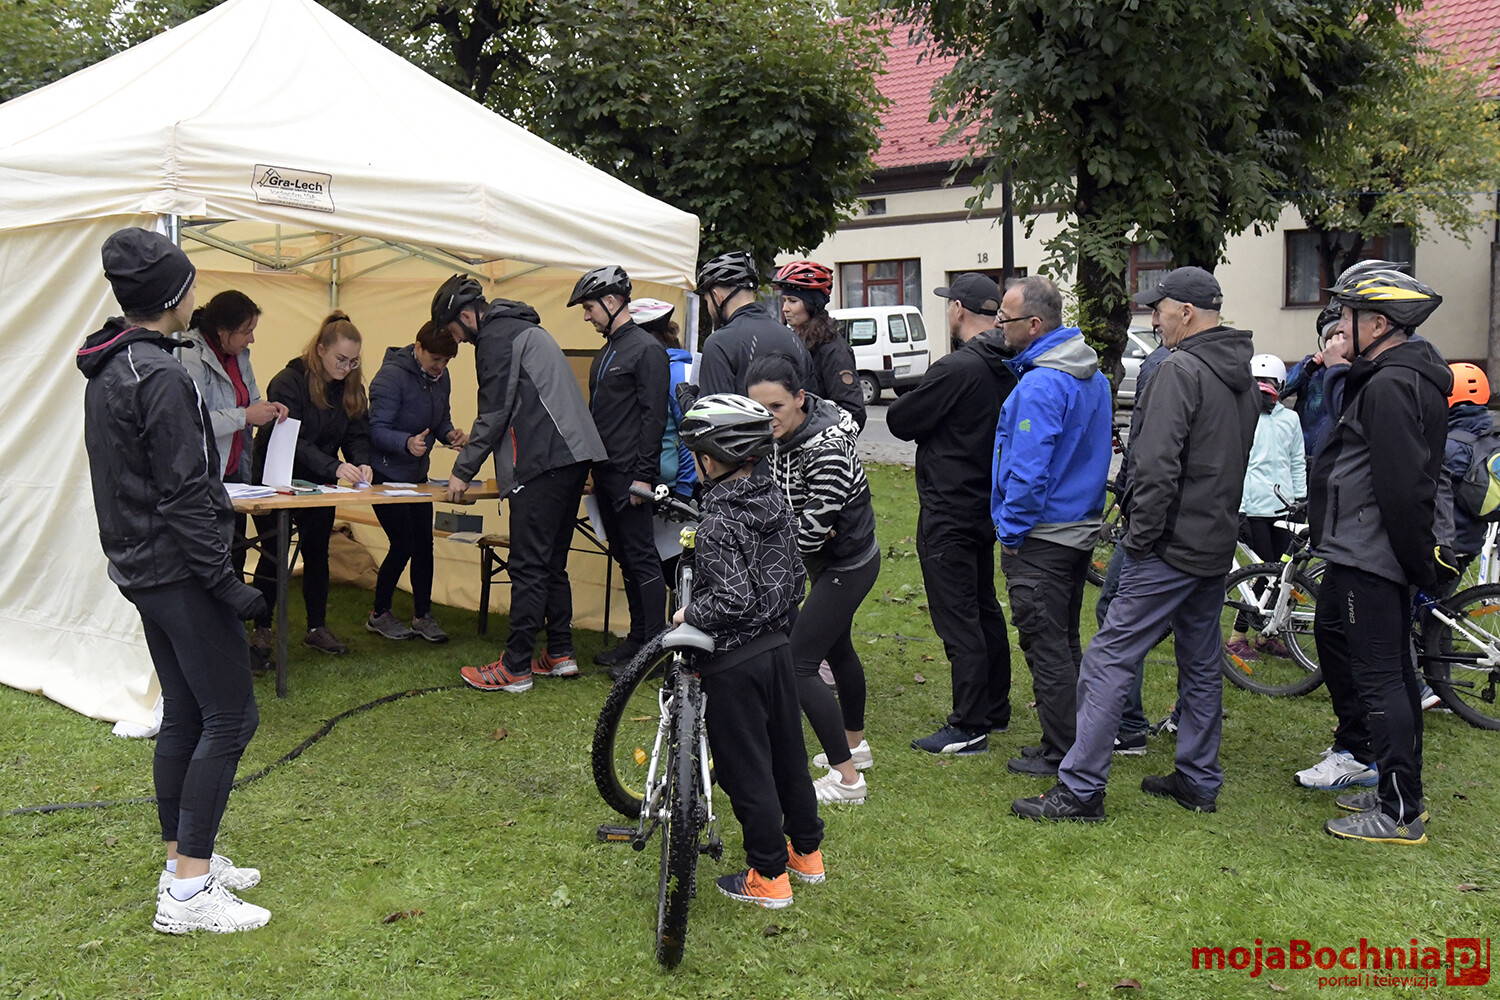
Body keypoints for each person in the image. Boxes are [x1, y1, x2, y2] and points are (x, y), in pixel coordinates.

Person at [1013, 266, 1257, 822]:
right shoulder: (1238, 370)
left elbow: (1153, 466)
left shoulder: (1178, 369)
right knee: (1200, 660)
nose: (1154, 319)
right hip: (1213, 541)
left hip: (1170, 544)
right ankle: (1197, 778)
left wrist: (1141, 540)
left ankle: (1080, 789)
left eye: (1159, 309)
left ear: (1186, 312)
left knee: (1108, 658)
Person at [79, 227, 268, 933]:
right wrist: (225, 584)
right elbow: (185, 494)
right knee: (231, 717)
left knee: (187, 712)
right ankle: (188, 893)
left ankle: (184, 859)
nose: (197, 294)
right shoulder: (159, 375)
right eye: (189, 284)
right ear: (172, 294)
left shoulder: (112, 368)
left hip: (144, 568)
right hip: (177, 571)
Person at [1303, 267, 1450, 845]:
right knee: (1382, 667)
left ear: (1380, 324)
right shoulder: (1395, 376)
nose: (1340, 324)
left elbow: (1403, 486)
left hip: (1372, 553)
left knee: (1382, 678)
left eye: (1349, 315)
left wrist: (1418, 565)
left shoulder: (1392, 385)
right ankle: (1397, 785)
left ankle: (1399, 811)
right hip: (1362, 549)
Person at [670, 393, 824, 908]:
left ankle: (768, 874)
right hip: (778, 648)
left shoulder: (716, 522)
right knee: (788, 757)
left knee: (746, 769)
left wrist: (689, 614)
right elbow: (793, 575)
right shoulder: (774, 501)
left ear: (709, 460)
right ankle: (806, 853)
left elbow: (732, 599)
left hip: (734, 663)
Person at [430, 275, 608, 691]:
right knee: (551, 562)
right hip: (573, 456)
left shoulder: (496, 337)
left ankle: (515, 667)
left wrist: (462, 471)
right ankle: (560, 652)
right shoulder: (522, 327)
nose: (456, 340)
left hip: (544, 459)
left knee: (527, 564)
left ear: (467, 315)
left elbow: (494, 413)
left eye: (453, 330)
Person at [888, 273, 1016, 756]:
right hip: (986, 502)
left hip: (949, 506)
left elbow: (900, 420)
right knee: (983, 605)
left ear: (958, 308)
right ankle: (994, 706)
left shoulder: (958, 367)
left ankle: (969, 723)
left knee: (958, 614)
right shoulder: (1008, 363)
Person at [990, 276, 1113, 778]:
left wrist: (1010, 533)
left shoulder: (1042, 383)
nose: (998, 325)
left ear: (1035, 324)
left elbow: (1028, 471)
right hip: (1077, 529)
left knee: (1046, 645)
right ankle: (1073, 740)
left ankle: (1063, 750)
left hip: (1042, 535)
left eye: (1006, 318)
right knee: (1063, 641)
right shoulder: (1091, 375)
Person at [748, 355, 880, 805]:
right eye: (759, 409)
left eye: (776, 407)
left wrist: (780, 547)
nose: (768, 418)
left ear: (800, 399)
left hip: (849, 565)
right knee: (837, 648)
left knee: (798, 664)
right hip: (831, 562)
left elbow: (807, 534)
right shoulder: (783, 438)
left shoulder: (826, 449)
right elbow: (797, 518)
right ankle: (855, 747)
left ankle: (847, 780)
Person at [250, 312, 373, 656]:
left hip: (318, 483)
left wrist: (361, 461)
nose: (347, 367)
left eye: (353, 361)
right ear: (320, 350)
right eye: (341, 359)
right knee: (273, 552)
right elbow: (293, 440)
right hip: (275, 478)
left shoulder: (352, 387)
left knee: (317, 552)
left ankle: (317, 627)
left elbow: (357, 432)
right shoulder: (288, 381)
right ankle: (262, 628)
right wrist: (335, 466)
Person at [571, 266, 672, 669]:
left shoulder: (647, 350)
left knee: (641, 557)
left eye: (590, 307)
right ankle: (637, 638)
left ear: (612, 302)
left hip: (631, 475)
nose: (586, 316)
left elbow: (655, 417)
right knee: (626, 558)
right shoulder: (608, 350)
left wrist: (643, 476)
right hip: (607, 474)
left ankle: (654, 651)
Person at [365, 321, 467, 645]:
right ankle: (379, 612)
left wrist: (449, 434)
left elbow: (441, 419)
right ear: (418, 348)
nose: (441, 367)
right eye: (436, 359)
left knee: (424, 543)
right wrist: (406, 442)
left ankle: (423, 615)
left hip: (418, 476)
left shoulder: (441, 378)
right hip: (385, 476)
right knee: (404, 542)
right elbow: (375, 430)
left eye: (447, 361)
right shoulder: (390, 377)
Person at [175, 290, 288, 580]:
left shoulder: (240, 356)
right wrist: (244, 416)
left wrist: (269, 409)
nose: (252, 339)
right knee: (211, 555)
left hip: (236, 473)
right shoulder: (189, 355)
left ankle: (233, 607)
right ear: (222, 330)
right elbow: (191, 421)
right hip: (203, 475)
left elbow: (251, 400)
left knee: (236, 551)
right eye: (246, 331)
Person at [1096, 328, 1171, 750]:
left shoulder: (1161, 367)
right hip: (1203, 525)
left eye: (1159, 309)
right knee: (1194, 629)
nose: (1155, 318)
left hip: (1155, 523)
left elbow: (1147, 452)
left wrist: (1132, 509)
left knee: (1116, 610)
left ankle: (1128, 725)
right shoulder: (1223, 369)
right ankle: (1186, 723)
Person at [1225, 354, 1307, 661]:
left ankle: (1266, 635)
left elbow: (1297, 461)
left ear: (1281, 387)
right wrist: (1240, 509)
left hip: (1283, 510)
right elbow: (1237, 464)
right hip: (1252, 510)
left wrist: (1300, 500)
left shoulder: (1290, 420)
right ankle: (1237, 637)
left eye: (1268, 384)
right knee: (1263, 574)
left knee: (1283, 576)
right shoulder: (1242, 417)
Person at [692, 251, 812, 398]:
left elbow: (715, 410)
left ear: (717, 297)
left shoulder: (719, 343)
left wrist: (687, 401)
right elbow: (811, 404)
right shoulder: (795, 340)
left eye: (707, 301)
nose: (709, 307)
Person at [772, 260, 865, 429]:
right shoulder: (794, 341)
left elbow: (853, 412)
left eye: (792, 301)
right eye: (784, 300)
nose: (785, 308)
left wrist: (819, 439)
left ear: (812, 305)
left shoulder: (833, 349)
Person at [629, 297, 697, 500]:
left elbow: (692, 434)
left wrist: (684, 491)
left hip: (673, 489)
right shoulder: (652, 368)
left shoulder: (675, 371)